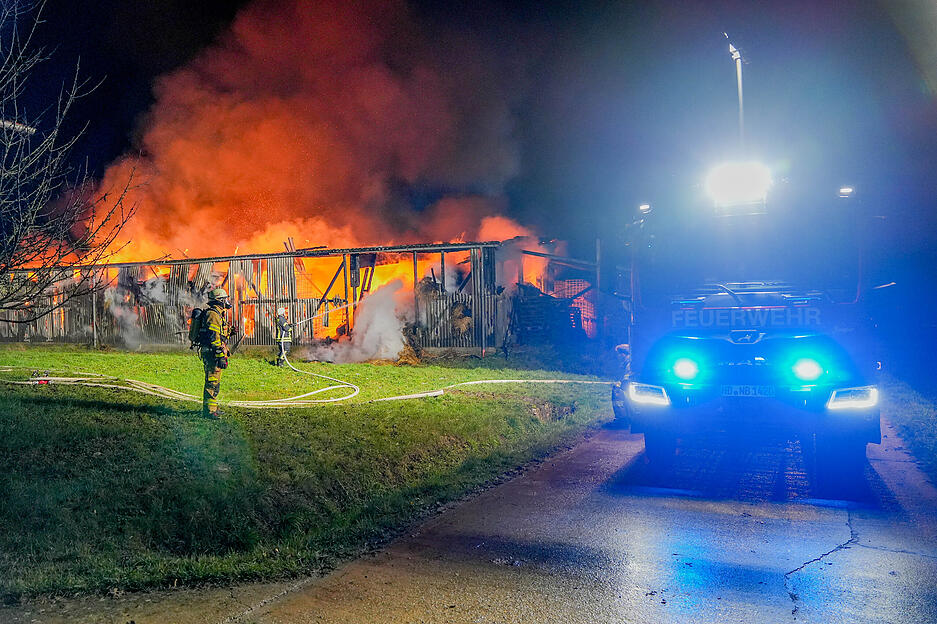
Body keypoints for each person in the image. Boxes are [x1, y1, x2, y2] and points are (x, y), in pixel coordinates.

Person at [200, 288, 231, 418]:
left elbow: (219, 334)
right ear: (219, 300)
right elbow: (213, 338)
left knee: (215, 381)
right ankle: (209, 411)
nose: (226, 301)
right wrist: (220, 356)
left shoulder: (218, 313)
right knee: (212, 381)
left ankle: (213, 408)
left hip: (215, 352)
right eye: (224, 299)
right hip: (212, 353)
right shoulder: (213, 314)